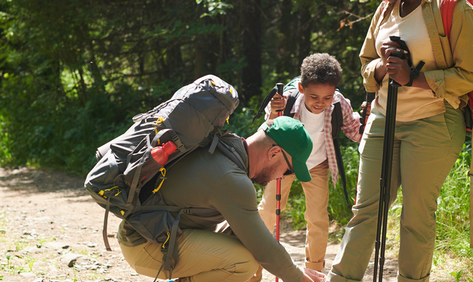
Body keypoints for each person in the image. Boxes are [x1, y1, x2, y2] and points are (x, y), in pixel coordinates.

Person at [327, 0, 473, 282]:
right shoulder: (384, 11)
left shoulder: (453, 7)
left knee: (415, 217)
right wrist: (382, 70)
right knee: (366, 210)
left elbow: (471, 75)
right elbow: (366, 65)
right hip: (383, 119)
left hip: (433, 124)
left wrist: (415, 78)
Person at [117, 116, 326, 282]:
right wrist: (300, 279)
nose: (282, 177)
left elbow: (255, 239)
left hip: (148, 232)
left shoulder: (227, 147)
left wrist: (295, 272)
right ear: (274, 153)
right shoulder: (231, 179)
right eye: (288, 170)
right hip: (143, 245)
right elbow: (265, 250)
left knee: (244, 244)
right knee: (242, 262)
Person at [252, 53, 362, 280]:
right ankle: (253, 265)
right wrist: (274, 111)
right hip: (285, 161)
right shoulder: (288, 99)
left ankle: (313, 272)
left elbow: (355, 131)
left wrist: (370, 122)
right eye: (314, 96)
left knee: (318, 218)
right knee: (268, 209)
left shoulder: (340, 104)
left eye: (327, 97)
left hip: (317, 164)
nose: (320, 102)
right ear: (302, 88)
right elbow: (269, 127)